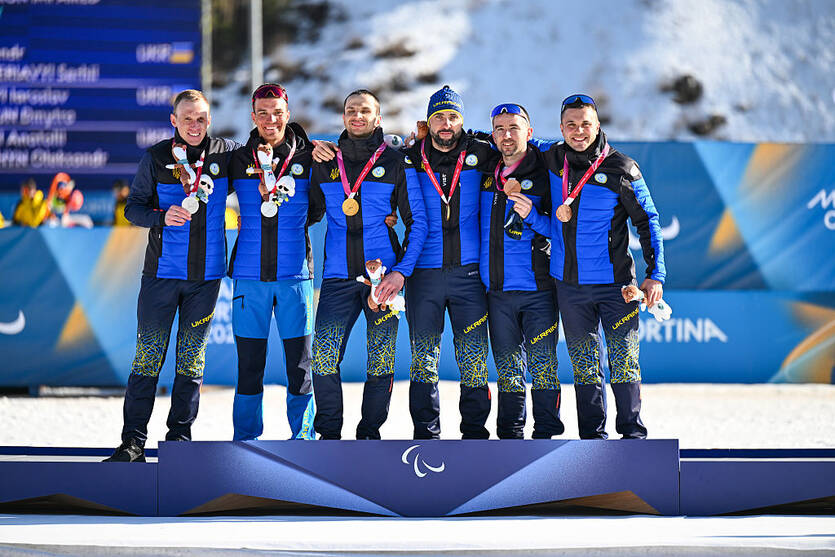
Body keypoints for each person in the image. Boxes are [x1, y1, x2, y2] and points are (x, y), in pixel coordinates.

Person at [104, 89, 238, 462]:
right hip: (161, 276)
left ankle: (179, 440)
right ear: (173, 121)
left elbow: (270, 156)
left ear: (210, 120)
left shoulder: (226, 154)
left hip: (205, 279)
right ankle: (133, 442)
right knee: (147, 359)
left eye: (201, 118)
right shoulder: (156, 157)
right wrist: (162, 217)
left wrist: (310, 144)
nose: (195, 125)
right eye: (187, 118)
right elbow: (133, 209)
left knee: (191, 362)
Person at [308, 89, 428, 439]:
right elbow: (309, 213)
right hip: (337, 279)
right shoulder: (324, 161)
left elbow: (418, 222)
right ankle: (328, 436)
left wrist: (401, 272)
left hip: (383, 282)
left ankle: (369, 435)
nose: (357, 116)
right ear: (343, 117)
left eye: (365, 111)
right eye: (351, 110)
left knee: (381, 360)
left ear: (379, 118)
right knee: (323, 358)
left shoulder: (395, 161)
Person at [545, 94, 665, 439]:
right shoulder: (550, 158)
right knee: (585, 367)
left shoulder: (622, 168)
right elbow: (510, 139)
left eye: (585, 124)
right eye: (571, 125)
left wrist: (655, 275)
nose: (578, 131)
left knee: (624, 362)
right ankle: (593, 441)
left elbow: (649, 221)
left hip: (617, 287)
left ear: (597, 126)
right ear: (561, 128)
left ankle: (632, 436)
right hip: (570, 287)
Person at [399, 86, 503, 439]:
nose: (446, 124)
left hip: (468, 276)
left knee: (473, 359)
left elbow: (520, 145)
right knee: (423, 360)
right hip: (423, 276)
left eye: (453, 117)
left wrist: (487, 134)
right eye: (439, 117)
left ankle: (474, 435)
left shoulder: (482, 152)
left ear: (463, 121)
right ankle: (426, 436)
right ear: (428, 121)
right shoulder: (410, 156)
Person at [226, 83, 322, 440]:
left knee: (300, 365)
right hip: (249, 278)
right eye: (263, 113)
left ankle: (303, 438)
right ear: (253, 117)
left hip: (295, 277)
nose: (271, 120)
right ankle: (246, 440)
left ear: (288, 114)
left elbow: (317, 209)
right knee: (249, 366)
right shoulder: (238, 160)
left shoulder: (309, 158)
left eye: (277, 112)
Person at [479, 103, 564, 439]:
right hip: (497, 293)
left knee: (543, 367)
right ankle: (509, 437)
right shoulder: (486, 171)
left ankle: (546, 435)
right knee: (508, 370)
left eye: (514, 128)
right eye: (500, 129)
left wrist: (534, 218)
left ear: (529, 132)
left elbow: (563, 229)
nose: (507, 136)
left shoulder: (546, 173)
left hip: (538, 290)